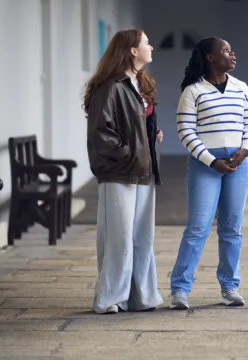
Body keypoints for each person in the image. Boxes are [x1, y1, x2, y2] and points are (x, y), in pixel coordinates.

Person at [168, 37, 248, 310]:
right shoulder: (193, 91)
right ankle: (180, 290)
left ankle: (230, 286)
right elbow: (185, 132)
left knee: (232, 228)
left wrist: (245, 150)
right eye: (226, 51)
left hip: (239, 164)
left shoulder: (241, 88)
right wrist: (210, 160)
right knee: (198, 228)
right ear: (210, 57)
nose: (232, 54)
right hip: (205, 166)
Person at [82, 28, 164, 314]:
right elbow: (100, 133)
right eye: (146, 43)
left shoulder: (140, 83)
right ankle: (110, 299)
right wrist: (128, 153)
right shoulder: (111, 86)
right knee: (118, 238)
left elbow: (137, 124)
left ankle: (141, 297)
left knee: (142, 238)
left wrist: (150, 137)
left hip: (144, 171)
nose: (151, 47)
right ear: (132, 50)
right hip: (120, 172)